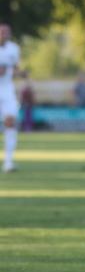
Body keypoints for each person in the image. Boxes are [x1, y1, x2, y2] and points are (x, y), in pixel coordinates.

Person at [0, 23, 22, 173]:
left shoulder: (14, 48)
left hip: (7, 89)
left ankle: (8, 161)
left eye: (7, 32)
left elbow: (15, 68)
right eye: (2, 32)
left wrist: (19, 73)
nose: (4, 34)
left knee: (10, 122)